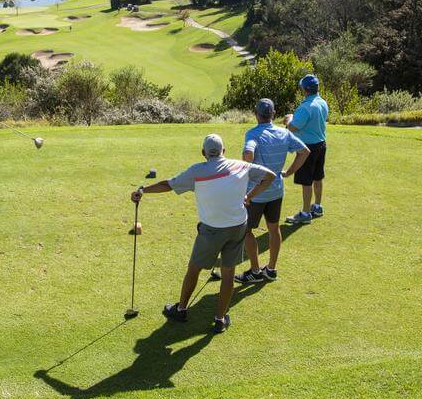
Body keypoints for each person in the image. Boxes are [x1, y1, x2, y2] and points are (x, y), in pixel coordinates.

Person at [131, 134, 276, 334]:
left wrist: (142, 190)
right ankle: (219, 319)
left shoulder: (197, 171)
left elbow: (168, 184)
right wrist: (249, 197)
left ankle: (181, 309)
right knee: (228, 272)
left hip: (211, 230)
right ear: (224, 151)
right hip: (238, 226)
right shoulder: (242, 166)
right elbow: (270, 176)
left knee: (194, 268)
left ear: (203, 153)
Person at [235, 98, 311, 285]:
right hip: (276, 190)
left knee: (246, 231)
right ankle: (271, 269)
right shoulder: (283, 133)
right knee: (274, 228)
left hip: (256, 193)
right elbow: (304, 151)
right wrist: (289, 172)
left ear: (255, 114)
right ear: (274, 114)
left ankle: (255, 271)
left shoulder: (253, 133)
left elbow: (248, 154)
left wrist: (246, 164)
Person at [283, 74, 330, 225]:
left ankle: (305, 213)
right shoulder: (322, 102)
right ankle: (317, 206)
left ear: (305, 89)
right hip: (321, 144)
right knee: (318, 177)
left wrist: (288, 119)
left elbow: (293, 127)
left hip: (307, 148)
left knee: (306, 181)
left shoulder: (306, 107)